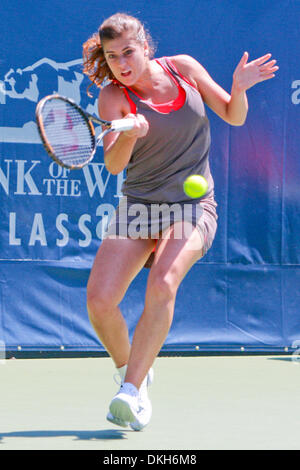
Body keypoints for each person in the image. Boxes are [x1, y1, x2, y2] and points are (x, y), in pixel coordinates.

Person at [82, 12, 278, 431]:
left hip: (193, 206)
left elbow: (233, 113)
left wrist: (239, 89)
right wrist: (130, 134)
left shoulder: (183, 68)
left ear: (146, 47)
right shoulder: (113, 97)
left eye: (129, 52)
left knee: (164, 282)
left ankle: (130, 394)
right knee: (99, 302)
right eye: (112, 56)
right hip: (138, 205)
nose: (122, 63)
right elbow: (114, 166)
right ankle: (133, 370)